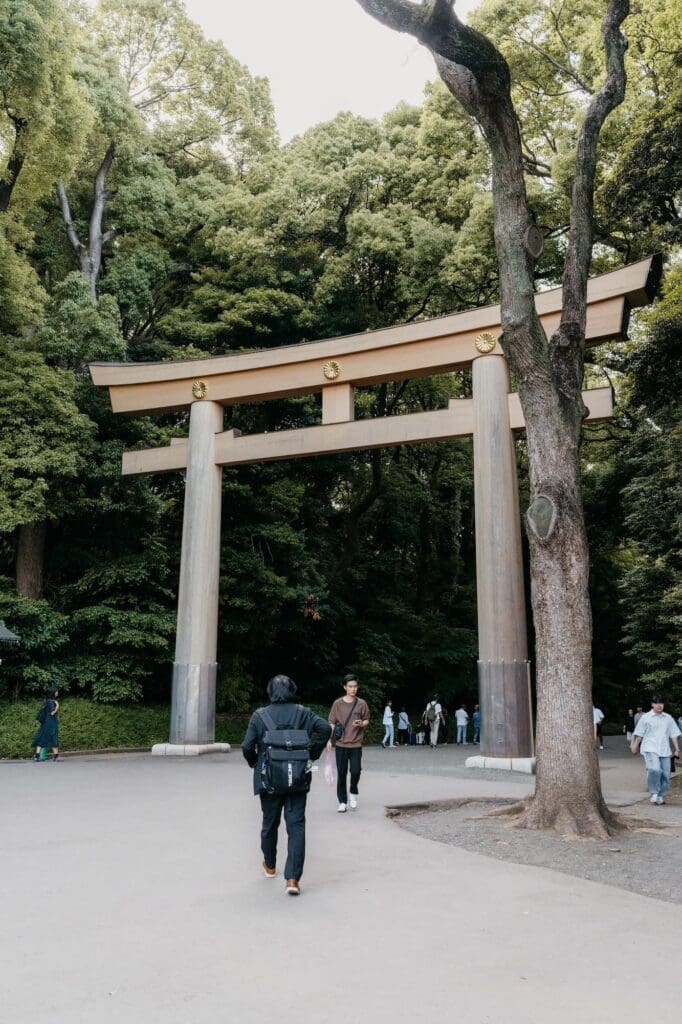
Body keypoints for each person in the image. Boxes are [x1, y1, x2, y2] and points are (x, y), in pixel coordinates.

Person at [242, 674, 331, 896]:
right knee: (296, 826)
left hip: (269, 780)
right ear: (292, 690)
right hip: (297, 778)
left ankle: (270, 865)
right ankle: (292, 879)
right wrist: (310, 754)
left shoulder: (260, 715)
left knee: (269, 824)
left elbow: (246, 746)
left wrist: (256, 763)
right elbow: (325, 729)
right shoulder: (303, 713)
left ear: (270, 692)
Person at [328, 673, 370, 813]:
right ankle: (342, 801)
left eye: (355, 686)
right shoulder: (337, 704)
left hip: (356, 744)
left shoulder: (362, 703)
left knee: (356, 771)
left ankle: (353, 792)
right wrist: (329, 739)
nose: (353, 689)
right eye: (350, 686)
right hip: (341, 744)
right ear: (344, 687)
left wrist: (361, 724)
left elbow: (366, 720)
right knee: (341, 773)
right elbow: (332, 723)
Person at [631, 695, 681, 806]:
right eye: (657, 703)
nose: (659, 705)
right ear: (652, 704)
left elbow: (673, 735)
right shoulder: (646, 717)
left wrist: (677, 749)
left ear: (663, 705)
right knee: (654, 769)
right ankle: (654, 792)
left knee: (666, 775)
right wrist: (635, 745)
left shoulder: (668, 718)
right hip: (650, 748)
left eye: (661, 703)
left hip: (664, 750)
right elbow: (639, 733)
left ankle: (661, 796)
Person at [32, 689, 61, 762]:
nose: (57, 692)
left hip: (46, 722)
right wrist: (57, 705)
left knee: (42, 738)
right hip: (51, 722)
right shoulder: (52, 702)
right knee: (53, 737)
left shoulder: (47, 701)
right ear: (53, 693)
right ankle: (56, 757)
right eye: (56, 691)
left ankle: (37, 756)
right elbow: (52, 713)